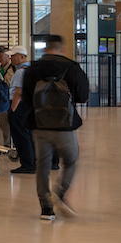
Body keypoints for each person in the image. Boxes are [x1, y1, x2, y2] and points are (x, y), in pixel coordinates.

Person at [17, 34, 89, 221]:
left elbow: (25, 98)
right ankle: (60, 192)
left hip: (39, 124)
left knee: (43, 164)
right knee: (71, 160)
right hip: (64, 124)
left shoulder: (33, 68)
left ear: (45, 47)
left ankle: (46, 208)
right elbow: (82, 96)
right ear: (61, 48)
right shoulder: (71, 67)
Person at [4, 49, 36, 173]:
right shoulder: (31, 70)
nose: (11, 58)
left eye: (14, 56)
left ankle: (27, 164)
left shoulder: (20, 72)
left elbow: (18, 92)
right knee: (28, 135)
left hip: (19, 106)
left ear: (22, 57)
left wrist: (12, 109)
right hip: (28, 105)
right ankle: (32, 161)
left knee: (21, 136)